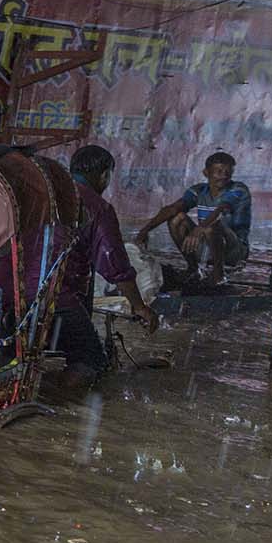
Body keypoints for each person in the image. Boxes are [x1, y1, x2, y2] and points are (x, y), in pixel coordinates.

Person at [55, 144, 158, 389]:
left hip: (10, 295)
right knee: (91, 361)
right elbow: (116, 265)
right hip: (58, 298)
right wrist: (139, 306)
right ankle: (60, 409)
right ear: (104, 175)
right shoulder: (96, 207)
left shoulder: (47, 195)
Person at [135, 151, 252, 285]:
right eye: (219, 171)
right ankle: (193, 269)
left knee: (212, 226)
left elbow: (221, 210)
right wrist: (144, 231)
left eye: (228, 172)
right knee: (177, 218)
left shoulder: (239, 189)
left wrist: (198, 229)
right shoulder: (199, 190)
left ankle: (219, 275)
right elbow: (172, 209)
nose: (224, 176)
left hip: (235, 250)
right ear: (206, 173)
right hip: (208, 244)